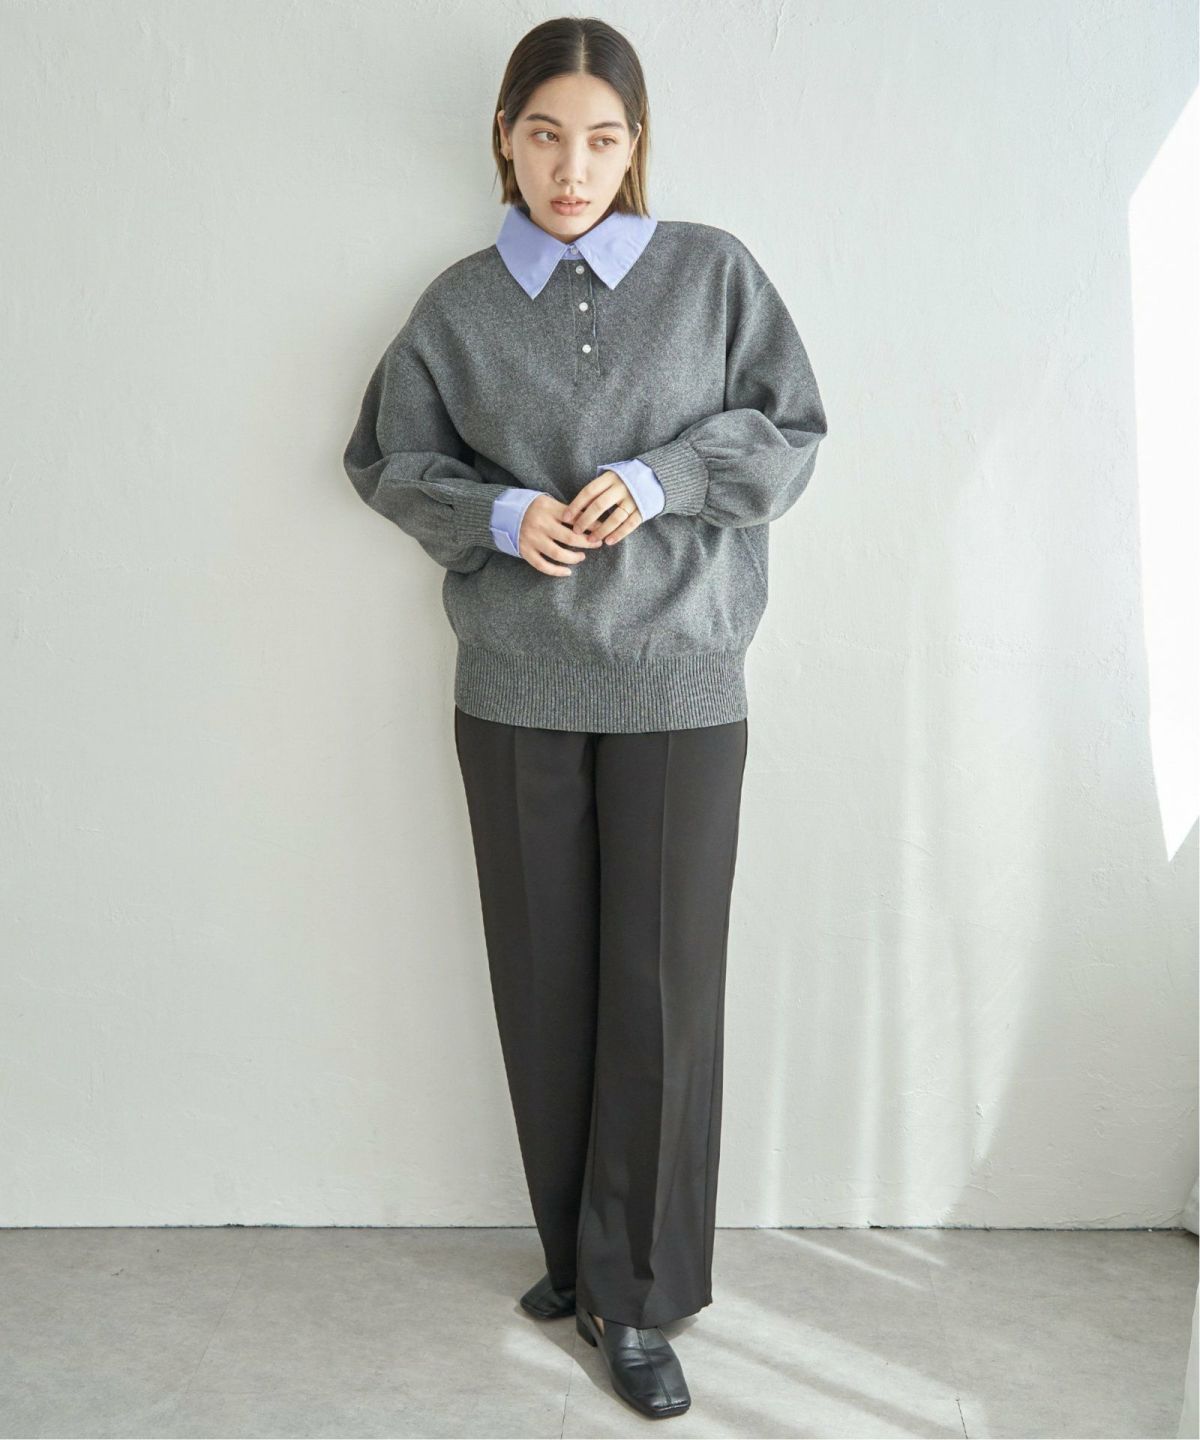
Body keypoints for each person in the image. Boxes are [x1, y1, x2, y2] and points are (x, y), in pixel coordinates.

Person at [342, 15, 828, 1421]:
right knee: (545, 982)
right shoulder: (457, 306)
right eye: (547, 135)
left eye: (603, 140)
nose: (573, 169)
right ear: (505, 137)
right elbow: (384, 458)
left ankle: (640, 1294)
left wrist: (667, 478)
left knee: (661, 993)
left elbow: (792, 436)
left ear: (636, 146)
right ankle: (579, 1258)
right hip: (515, 688)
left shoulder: (711, 274)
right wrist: (500, 514)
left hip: (681, 685)